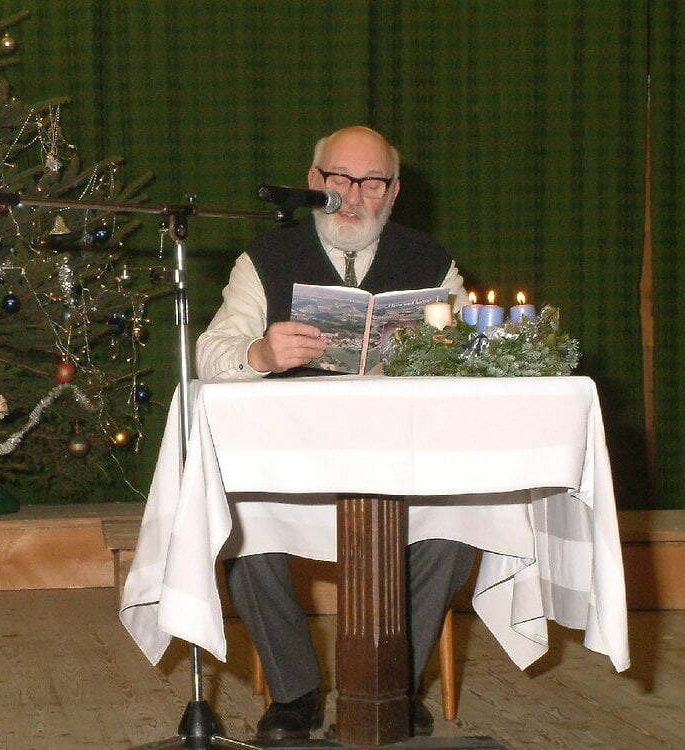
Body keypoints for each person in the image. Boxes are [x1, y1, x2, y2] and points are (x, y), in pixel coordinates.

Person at [195, 126, 476, 741]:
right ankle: (294, 693)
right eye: (339, 180)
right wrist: (259, 353)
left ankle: (394, 685)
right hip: (293, 463)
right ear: (313, 182)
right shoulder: (266, 256)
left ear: (393, 193)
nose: (353, 196)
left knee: (454, 529)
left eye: (372, 183)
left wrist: (443, 354)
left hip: (402, 462)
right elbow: (211, 351)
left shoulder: (431, 261)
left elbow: (471, 352)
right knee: (240, 529)